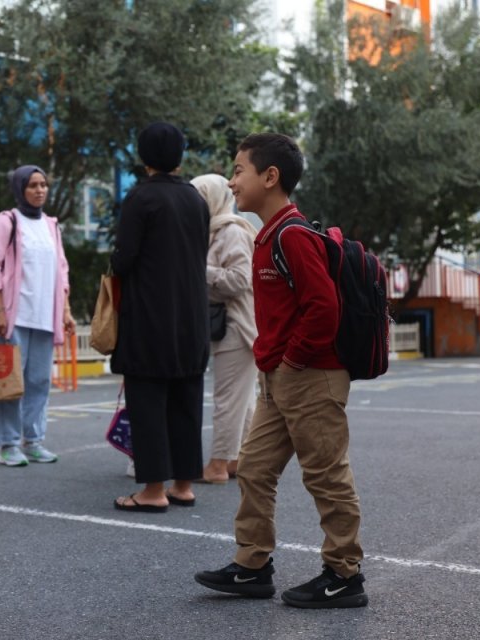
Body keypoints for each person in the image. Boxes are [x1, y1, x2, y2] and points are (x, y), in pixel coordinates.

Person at [194, 133, 367, 608]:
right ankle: (252, 565)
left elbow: (323, 309)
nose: (232, 181)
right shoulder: (267, 233)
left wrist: (290, 361)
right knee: (253, 469)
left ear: (270, 177)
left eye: (238, 170)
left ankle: (344, 575)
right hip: (280, 375)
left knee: (326, 476)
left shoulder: (292, 234)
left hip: (310, 374)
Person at [109, 123, 210, 511]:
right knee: (186, 399)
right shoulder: (195, 199)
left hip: (150, 315)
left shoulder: (141, 198)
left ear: (144, 156)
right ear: (180, 156)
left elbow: (124, 259)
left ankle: (152, 490)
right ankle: (183, 484)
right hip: (191, 315)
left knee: (148, 401)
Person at [0, 164, 74, 467]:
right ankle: (8, 443)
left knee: (39, 381)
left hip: (45, 315)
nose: (39, 190)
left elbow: (62, 271)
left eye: (43, 184)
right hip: (13, 315)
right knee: (9, 381)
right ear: (20, 189)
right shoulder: (6, 222)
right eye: (32, 185)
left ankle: (33, 440)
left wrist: (66, 311)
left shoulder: (51, 226)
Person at [191, 174, 259, 484]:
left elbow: (238, 279)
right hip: (229, 325)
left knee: (228, 400)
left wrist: (196, 270)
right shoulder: (212, 231)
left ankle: (218, 465)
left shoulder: (230, 231)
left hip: (237, 325)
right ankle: (237, 461)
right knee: (242, 400)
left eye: (199, 197)